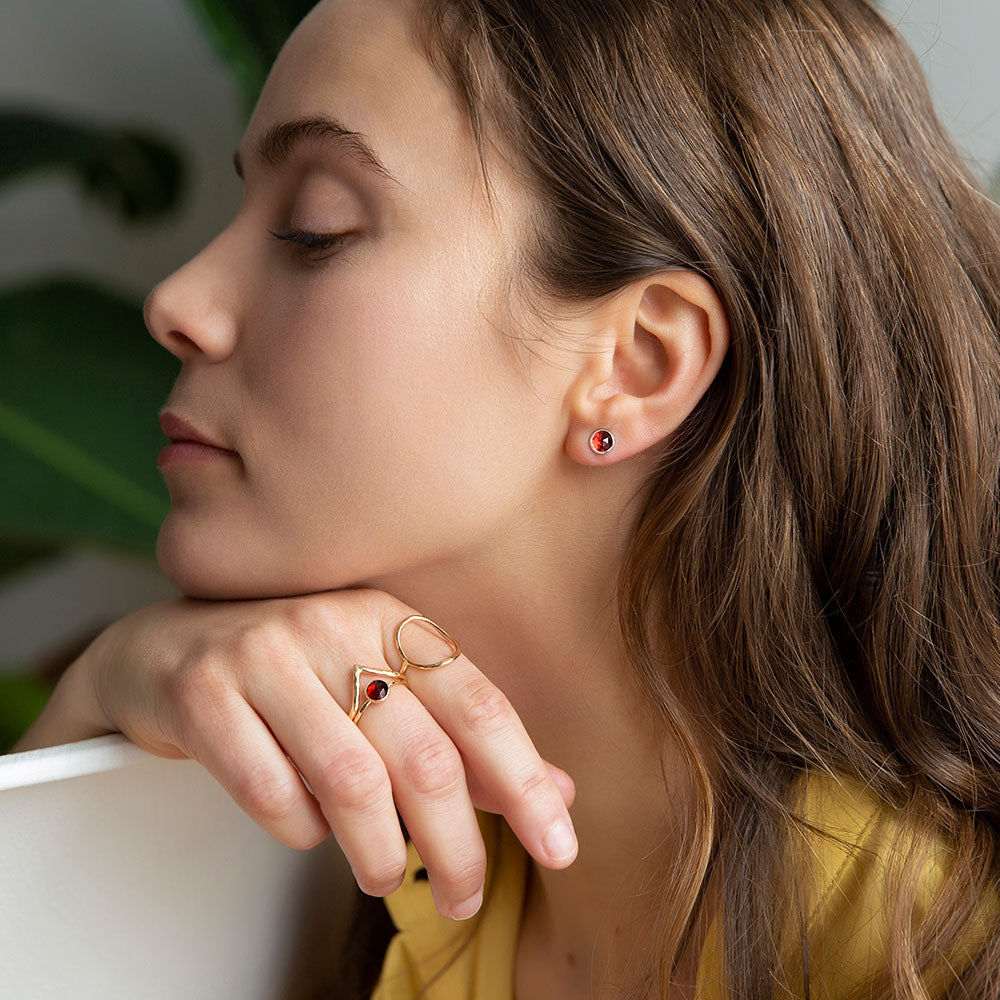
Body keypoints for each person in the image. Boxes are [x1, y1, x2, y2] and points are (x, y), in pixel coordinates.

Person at [10, 0, 1000, 996]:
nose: (175, 300)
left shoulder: (947, 951)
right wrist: (97, 705)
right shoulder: (331, 845)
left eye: (314, 230)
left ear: (637, 362)